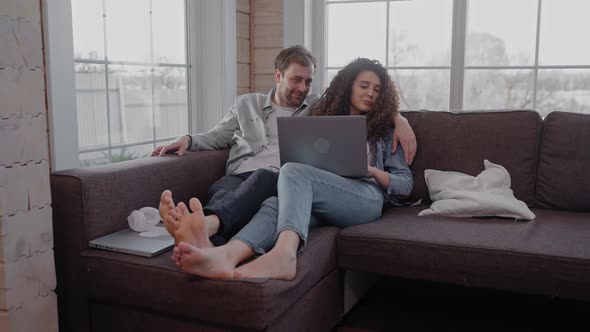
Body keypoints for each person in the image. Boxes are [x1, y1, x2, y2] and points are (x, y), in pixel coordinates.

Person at [167, 58, 413, 280]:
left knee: (292, 170)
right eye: (364, 86)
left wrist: (371, 169)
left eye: (377, 89)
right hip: (326, 195)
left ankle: (284, 255)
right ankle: (224, 256)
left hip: (366, 196)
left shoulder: (386, 131)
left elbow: (405, 183)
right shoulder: (322, 117)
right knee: (274, 203)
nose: (371, 93)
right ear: (349, 86)